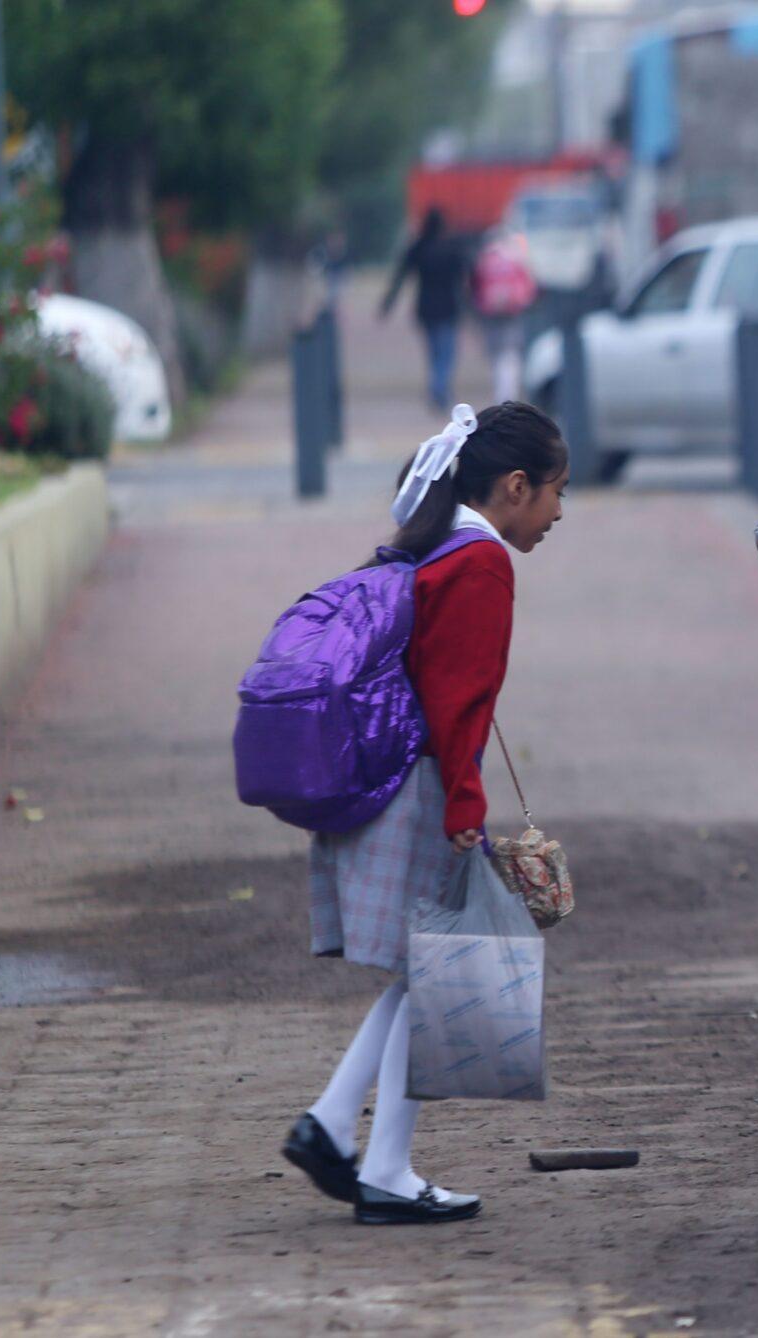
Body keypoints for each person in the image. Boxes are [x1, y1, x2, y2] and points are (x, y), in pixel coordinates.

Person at [279, 402, 568, 1226]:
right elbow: (458, 699)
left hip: (393, 780)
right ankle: (382, 1165)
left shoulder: (436, 542)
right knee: (440, 972)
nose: (557, 514)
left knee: (426, 973)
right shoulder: (482, 564)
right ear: (515, 487)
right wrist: (467, 810)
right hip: (430, 791)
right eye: (555, 493)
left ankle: (338, 1131)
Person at [382, 208, 473, 412]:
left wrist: (387, 305)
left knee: (434, 352)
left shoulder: (418, 247)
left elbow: (400, 277)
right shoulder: (451, 247)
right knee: (447, 352)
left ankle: (437, 388)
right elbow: (467, 276)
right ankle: (440, 390)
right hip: (449, 307)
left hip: (425, 308)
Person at [469, 229, 538, 405]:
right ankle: (508, 392)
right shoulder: (515, 259)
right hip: (512, 310)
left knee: (497, 353)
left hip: (490, 310)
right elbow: (529, 285)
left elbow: (474, 284)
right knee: (510, 353)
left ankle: (503, 390)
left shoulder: (485, 259)